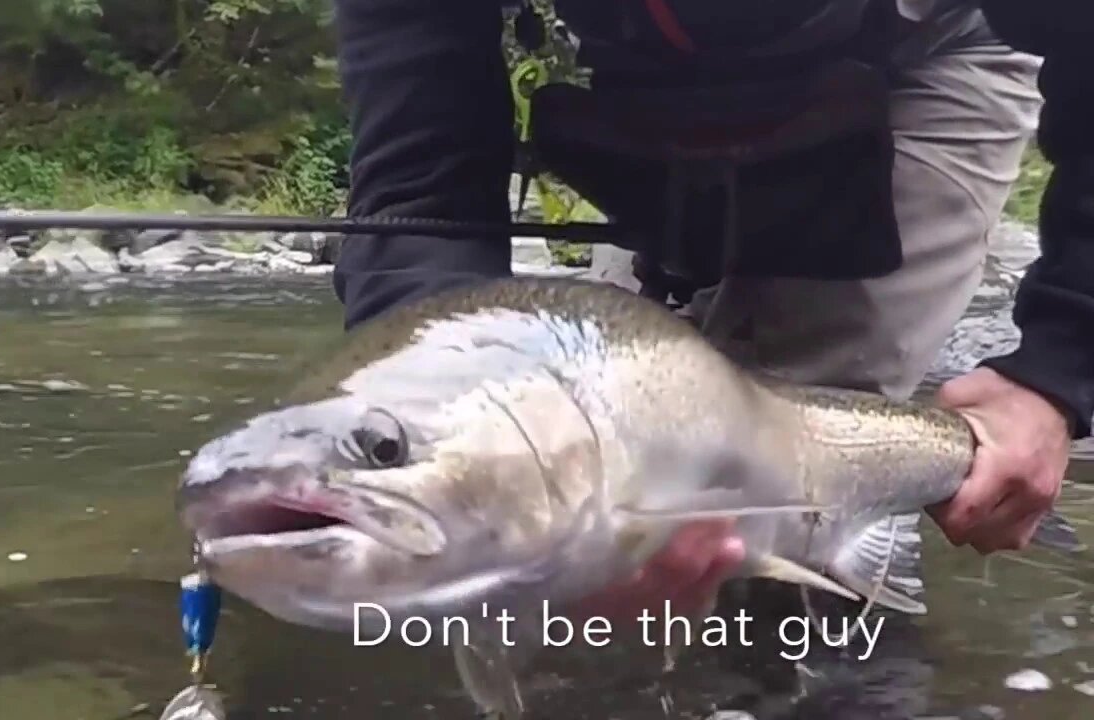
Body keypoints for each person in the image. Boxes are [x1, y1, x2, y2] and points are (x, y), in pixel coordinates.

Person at [328, 0, 1094, 624]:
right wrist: (437, 412)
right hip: (655, 92)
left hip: (927, 58)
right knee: (611, 423)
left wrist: (1055, 376)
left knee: (760, 495)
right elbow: (422, 192)